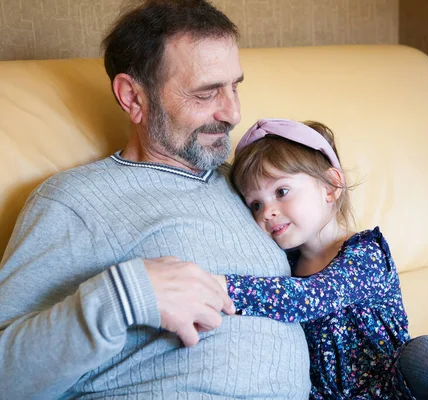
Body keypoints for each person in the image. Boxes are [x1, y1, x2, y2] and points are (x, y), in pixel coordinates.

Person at [0, 1, 311, 398]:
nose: (232, 112)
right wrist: (123, 297)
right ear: (133, 97)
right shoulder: (75, 202)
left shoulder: (251, 187)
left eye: (235, 86)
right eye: (206, 93)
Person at [213, 118, 428, 399]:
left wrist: (218, 288)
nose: (267, 212)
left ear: (331, 187)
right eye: (254, 204)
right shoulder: (283, 266)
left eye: (282, 191)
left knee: (422, 352)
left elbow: (309, 297)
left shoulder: (365, 254)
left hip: (394, 389)